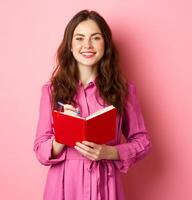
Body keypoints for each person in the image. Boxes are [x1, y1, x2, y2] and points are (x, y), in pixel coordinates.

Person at [33, 9, 152, 200]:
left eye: (95, 38)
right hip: (64, 187)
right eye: (79, 38)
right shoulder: (51, 91)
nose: (87, 45)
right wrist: (63, 135)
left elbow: (143, 142)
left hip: (106, 184)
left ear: (105, 44)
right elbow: (40, 150)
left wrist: (111, 152)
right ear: (70, 46)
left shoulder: (123, 91)